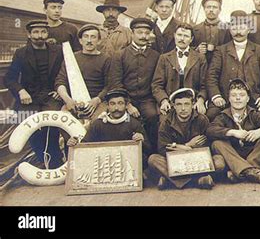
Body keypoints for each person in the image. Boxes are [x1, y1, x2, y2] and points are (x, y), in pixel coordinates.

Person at [4, 20, 64, 168]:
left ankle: (55, 161)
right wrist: (20, 90)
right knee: (31, 128)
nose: (40, 36)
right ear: (29, 34)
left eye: (43, 32)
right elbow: (9, 78)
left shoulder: (57, 51)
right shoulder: (21, 53)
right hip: (29, 99)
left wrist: (60, 89)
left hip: (51, 97)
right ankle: (40, 159)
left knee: (53, 127)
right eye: (36, 32)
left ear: (47, 33)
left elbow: (66, 74)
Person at [147, 88, 225, 190]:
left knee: (219, 162)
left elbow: (208, 145)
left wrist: (178, 147)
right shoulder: (166, 123)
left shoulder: (202, 119)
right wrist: (187, 146)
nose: (183, 108)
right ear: (173, 106)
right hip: (175, 161)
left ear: (193, 104)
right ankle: (197, 181)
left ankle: (172, 180)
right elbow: (162, 149)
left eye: (186, 104)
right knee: (153, 159)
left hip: (197, 161)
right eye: (179, 104)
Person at [206, 10, 260, 120]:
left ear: (248, 29)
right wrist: (216, 96)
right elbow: (211, 75)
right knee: (211, 115)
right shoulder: (220, 51)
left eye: (242, 28)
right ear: (230, 30)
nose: (238, 32)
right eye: (234, 28)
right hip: (226, 98)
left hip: (253, 99)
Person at [207, 79, 260, 184]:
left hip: (253, 155)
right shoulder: (223, 116)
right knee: (217, 144)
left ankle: (240, 171)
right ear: (229, 99)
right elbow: (210, 130)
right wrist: (231, 132)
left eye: (242, 95)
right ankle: (252, 172)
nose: (238, 98)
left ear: (248, 98)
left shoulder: (254, 114)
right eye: (234, 95)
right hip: (233, 154)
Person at [109, 17, 161, 152]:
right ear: (132, 33)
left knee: (152, 116)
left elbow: (157, 81)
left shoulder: (156, 56)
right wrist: (128, 104)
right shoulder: (120, 55)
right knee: (124, 119)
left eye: (146, 33)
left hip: (147, 99)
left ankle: (150, 155)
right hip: (126, 99)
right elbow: (115, 83)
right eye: (139, 32)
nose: (143, 36)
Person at [67, 88, 151, 157]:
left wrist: (141, 140)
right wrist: (75, 143)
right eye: (112, 104)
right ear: (107, 106)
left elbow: (148, 151)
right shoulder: (98, 124)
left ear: (126, 105)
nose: (116, 108)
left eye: (120, 103)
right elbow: (85, 146)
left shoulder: (134, 124)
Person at [55, 24, 111, 120]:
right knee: (64, 122)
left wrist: (97, 100)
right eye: (86, 37)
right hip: (74, 101)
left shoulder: (106, 59)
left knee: (97, 123)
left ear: (99, 41)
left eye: (93, 37)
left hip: (98, 102)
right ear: (80, 41)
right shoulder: (71, 58)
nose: (89, 41)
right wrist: (68, 100)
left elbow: (110, 85)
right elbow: (60, 82)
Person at [152, 23, 208, 117]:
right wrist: (164, 101)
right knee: (164, 122)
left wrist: (201, 101)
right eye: (179, 35)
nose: (182, 39)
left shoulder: (200, 58)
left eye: (186, 36)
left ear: (191, 39)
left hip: (192, 103)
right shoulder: (164, 58)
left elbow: (205, 85)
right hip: (171, 103)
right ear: (174, 36)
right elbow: (157, 85)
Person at [192, 0, 231, 64]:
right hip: (200, 67)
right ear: (204, 9)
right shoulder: (195, 29)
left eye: (215, 7)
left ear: (220, 10)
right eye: (208, 7)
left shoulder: (228, 29)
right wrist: (197, 49)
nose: (211, 10)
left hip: (222, 67)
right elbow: (188, 49)